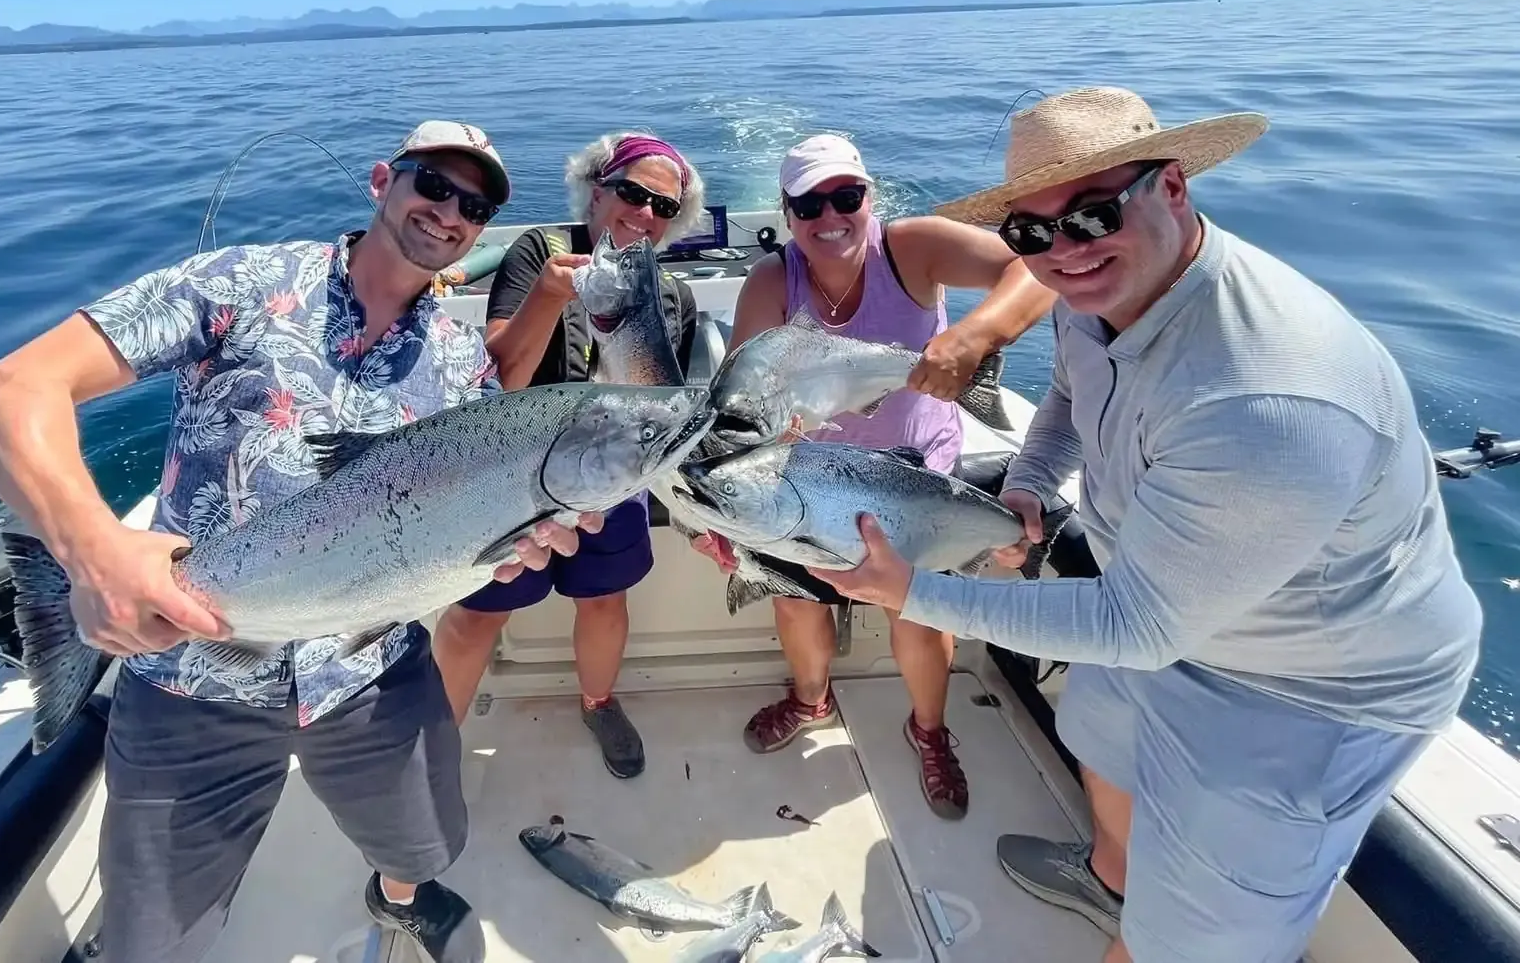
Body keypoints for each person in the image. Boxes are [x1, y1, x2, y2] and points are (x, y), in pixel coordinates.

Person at [808, 87, 1484, 963]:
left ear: (1172, 187)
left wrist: (915, 593)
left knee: (1193, 945)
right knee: (1100, 737)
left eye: (1092, 215)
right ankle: (1112, 878)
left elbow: (1136, 626)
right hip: (1166, 610)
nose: (1065, 252)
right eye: (1031, 233)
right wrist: (1031, 485)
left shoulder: (1263, 395)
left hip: (1310, 689)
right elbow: (1065, 391)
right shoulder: (1107, 293)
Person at [0, 121, 599, 963]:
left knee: (424, 843)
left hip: (371, 674)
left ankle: (399, 895)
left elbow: (464, 522)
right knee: (149, 940)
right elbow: (11, 391)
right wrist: (91, 551)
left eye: (473, 206)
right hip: (192, 676)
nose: (449, 213)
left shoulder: (459, 363)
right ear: (383, 180)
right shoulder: (244, 282)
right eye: (432, 185)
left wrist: (514, 537)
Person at [688, 132, 1056, 819]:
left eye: (845, 196)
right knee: (797, 601)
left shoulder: (913, 247)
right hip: (810, 478)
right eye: (808, 204)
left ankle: (929, 728)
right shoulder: (773, 280)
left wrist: (972, 340)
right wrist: (716, 519)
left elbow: (1037, 268)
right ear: (787, 213)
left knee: (916, 618)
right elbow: (741, 409)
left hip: (915, 476)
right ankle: (809, 698)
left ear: (870, 197)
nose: (830, 216)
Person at [432, 131, 707, 778]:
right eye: (632, 193)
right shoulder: (542, 253)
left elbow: (662, 410)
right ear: (596, 190)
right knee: (476, 617)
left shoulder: (675, 298)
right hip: (515, 483)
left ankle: (598, 702)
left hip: (611, 484)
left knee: (605, 602)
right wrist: (551, 297)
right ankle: (438, 740)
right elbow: (499, 378)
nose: (644, 214)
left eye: (662, 207)